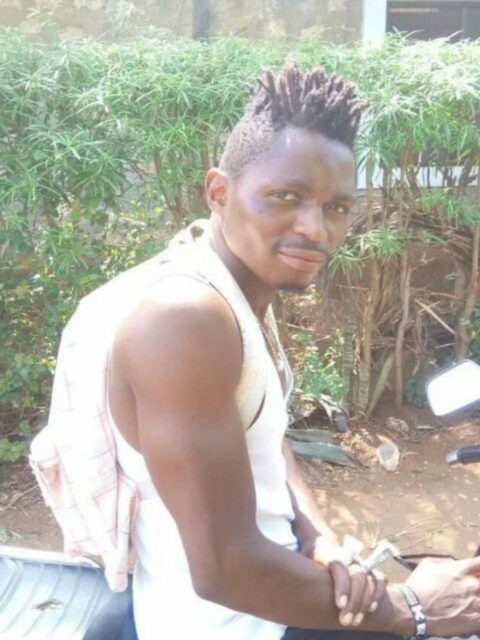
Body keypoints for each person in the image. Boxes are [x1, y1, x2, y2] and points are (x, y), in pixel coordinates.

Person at [40, 64, 480, 640]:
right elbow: (225, 570)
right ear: (218, 192)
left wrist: (318, 536)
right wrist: (413, 609)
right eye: (285, 196)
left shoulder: (228, 290)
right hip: (242, 625)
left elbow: (261, 443)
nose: (316, 228)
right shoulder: (185, 321)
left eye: (336, 207)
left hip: (281, 591)